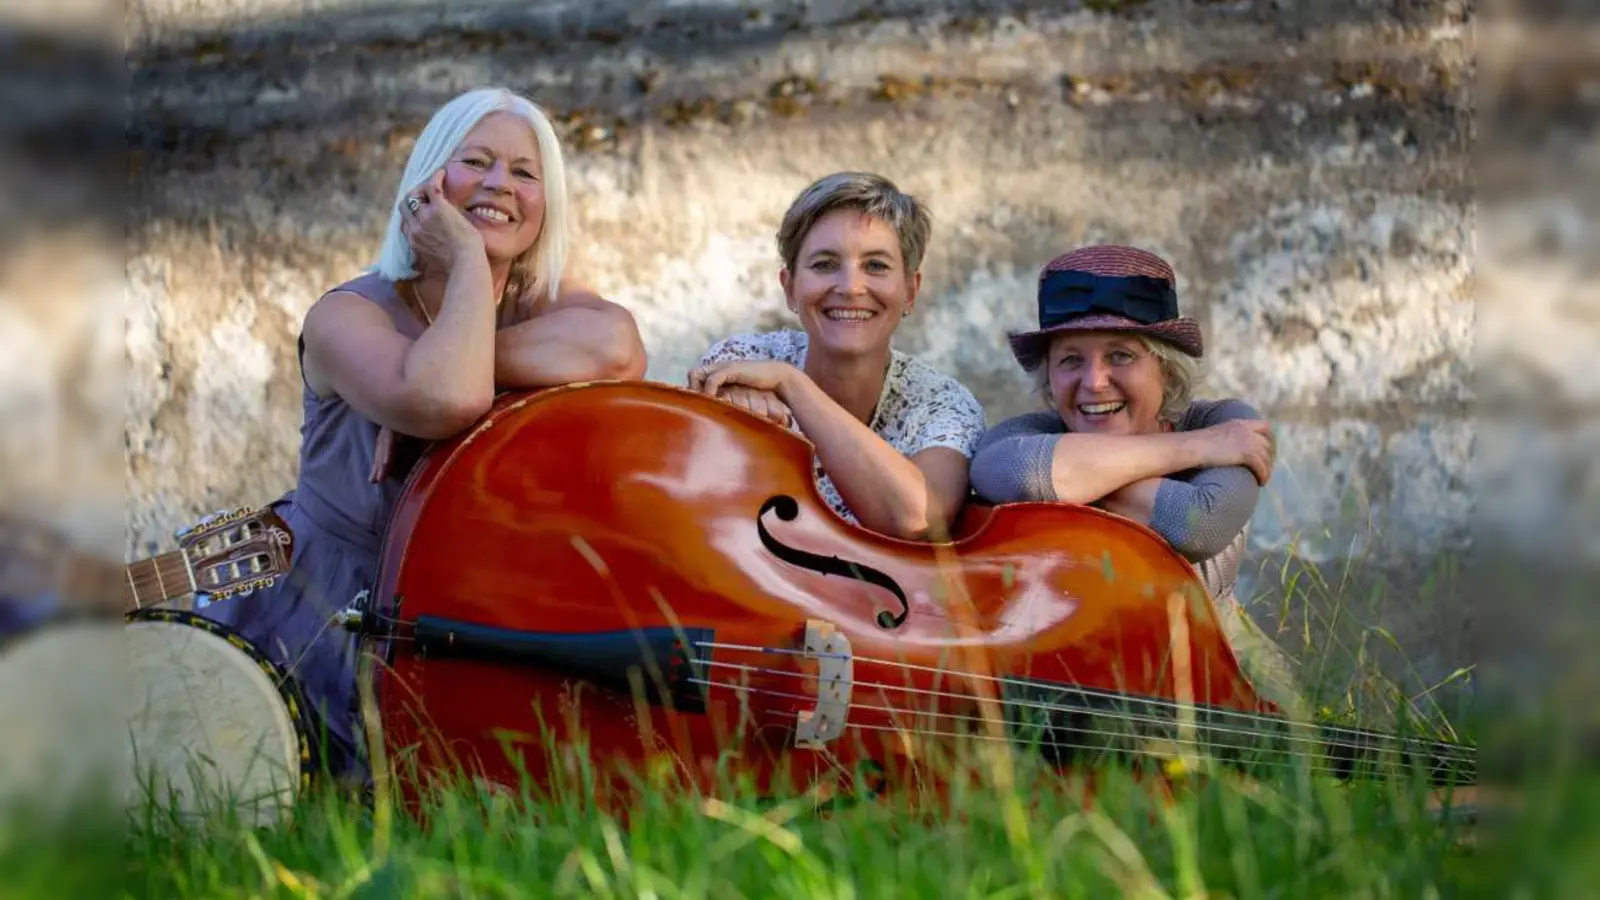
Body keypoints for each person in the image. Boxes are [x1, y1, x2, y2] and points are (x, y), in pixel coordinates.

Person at [198, 87, 648, 785]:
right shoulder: (346, 315)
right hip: (336, 605)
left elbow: (619, 349)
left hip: (468, 611)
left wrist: (460, 365)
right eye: (477, 161)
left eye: (525, 172)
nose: (501, 183)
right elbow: (448, 396)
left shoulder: (548, 308)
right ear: (429, 181)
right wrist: (466, 265)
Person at [968, 244, 1306, 716]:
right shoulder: (1216, 438)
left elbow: (1197, 524)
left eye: (1121, 355)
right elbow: (1007, 472)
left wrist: (1071, 478)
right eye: (1070, 360)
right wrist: (1198, 448)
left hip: (1227, 679)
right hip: (1077, 685)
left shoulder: (1227, 419)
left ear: (1166, 370)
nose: (1094, 381)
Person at [687, 172, 987, 541]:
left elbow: (917, 520)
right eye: (824, 264)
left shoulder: (945, 405)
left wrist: (791, 384)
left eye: (876, 266)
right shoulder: (743, 358)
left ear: (911, 290)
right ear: (790, 287)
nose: (850, 288)